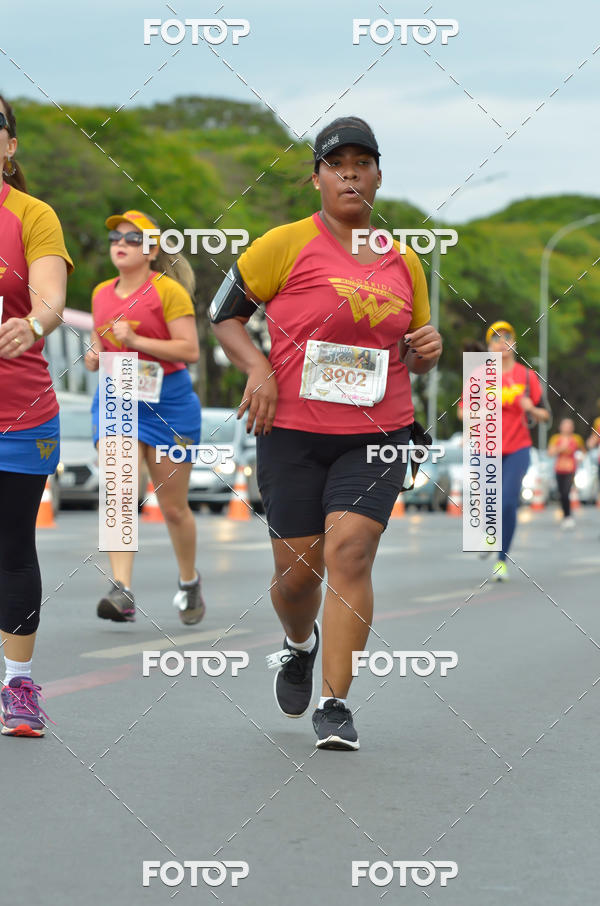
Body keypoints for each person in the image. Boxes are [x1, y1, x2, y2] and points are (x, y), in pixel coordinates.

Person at [210, 116, 442, 750]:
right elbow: (223, 314)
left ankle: (336, 703)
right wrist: (257, 368)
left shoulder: (406, 261)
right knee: (297, 576)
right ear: (316, 178)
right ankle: (297, 643)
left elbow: (417, 352)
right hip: (290, 431)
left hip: (379, 431)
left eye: (362, 163)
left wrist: (429, 347)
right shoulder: (281, 245)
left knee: (351, 553)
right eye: (336, 164)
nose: (350, 174)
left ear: (378, 175)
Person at [84, 211, 204, 625]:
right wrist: (95, 355)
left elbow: (190, 351)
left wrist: (136, 340)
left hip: (168, 403)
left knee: (173, 508)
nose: (121, 242)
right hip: (119, 393)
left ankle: (189, 581)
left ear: (152, 251)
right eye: (116, 236)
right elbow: (97, 349)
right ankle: (122, 590)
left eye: (133, 238)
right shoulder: (101, 293)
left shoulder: (168, 292)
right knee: (119, 486)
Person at [0, 95, 73, 736]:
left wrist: (31, 322)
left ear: (10, 145)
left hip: (18, 411)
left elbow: (50, 296)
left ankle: (18, 686)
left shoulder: (32, 215)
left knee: (11, 546)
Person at [486, 321, 549, 580]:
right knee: (490, 503)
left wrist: (530, 408)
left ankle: (501, 559)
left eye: (507, 337)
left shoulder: (527, 376)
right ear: (488, 347)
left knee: (508, 501)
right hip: (487, 449)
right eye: (496, 339)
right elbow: (462, 411)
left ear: (514, 344)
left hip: (518, 448)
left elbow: (545, 415)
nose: (503, 343)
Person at [548, 419, 585, 528]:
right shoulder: (555, 438)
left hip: (571, 469)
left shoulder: (576, 439)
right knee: (561, 494)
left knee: (566, 492)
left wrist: (580, 458)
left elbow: (583, 452)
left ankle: (568, 516)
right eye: (565, 425)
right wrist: (560, 448)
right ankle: (565, 516)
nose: (567, 428)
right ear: (560, 427)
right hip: (559, 469)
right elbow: (550, 452)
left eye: (569, 426)